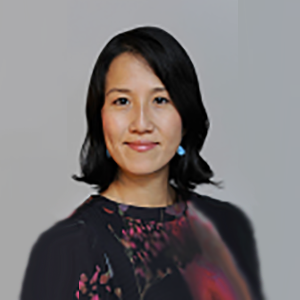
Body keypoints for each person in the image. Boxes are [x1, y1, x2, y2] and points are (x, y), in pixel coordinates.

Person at [19, 26, 265, 300]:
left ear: (185, 117)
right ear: (100, 119)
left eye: (160, 100)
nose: (141, 124)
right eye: (122, 101)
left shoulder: (228, 226)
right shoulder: (64, 248)